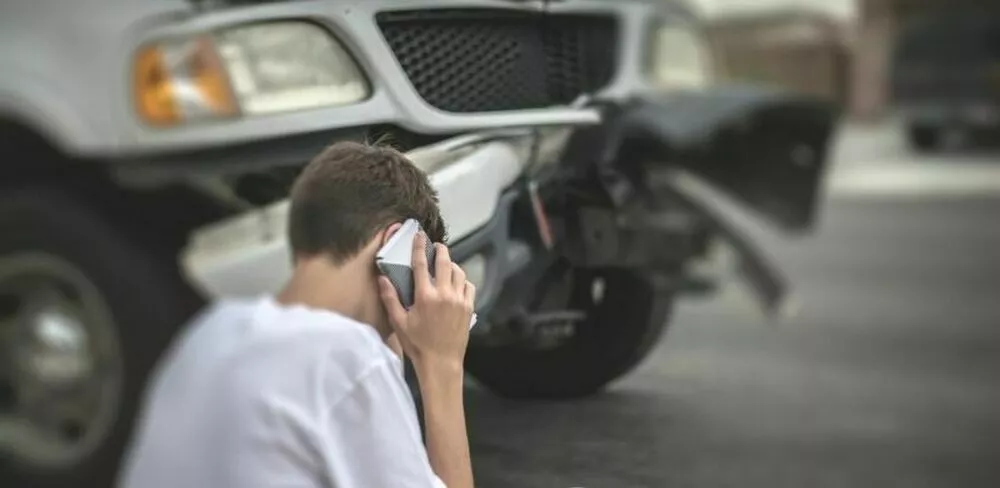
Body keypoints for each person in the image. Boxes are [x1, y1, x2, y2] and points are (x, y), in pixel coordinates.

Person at [117, 142, 476, 488]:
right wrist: (442, 362)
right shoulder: (346, 358)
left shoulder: (211, 331)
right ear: (393, 245)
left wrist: (394, 337)